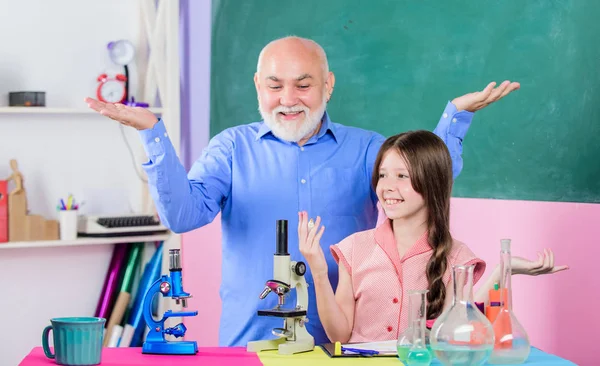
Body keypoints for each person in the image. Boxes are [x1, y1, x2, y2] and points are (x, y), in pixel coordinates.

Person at [84, 36, 520, 346]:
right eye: (274, 85)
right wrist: (153, 136)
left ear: (328, 86)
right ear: (259, 86)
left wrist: (455, 119)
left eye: (303, 84)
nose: (287, 98)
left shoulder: (367, 147)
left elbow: (423, 176)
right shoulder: (231, 148)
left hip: (347, 340)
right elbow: (184, 217)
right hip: (251, 340)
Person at [298, 130, 568, 343]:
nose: (388, 187)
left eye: (402, 176)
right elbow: (339, 335)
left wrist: (502, 273)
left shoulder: (456, 256)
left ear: (431, 183)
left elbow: (457, 326)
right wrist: (320, 274)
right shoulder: (354, 248)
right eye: (382, 175)